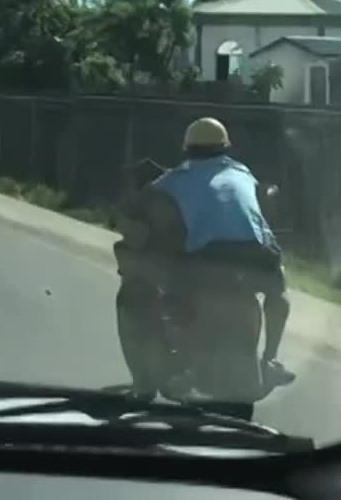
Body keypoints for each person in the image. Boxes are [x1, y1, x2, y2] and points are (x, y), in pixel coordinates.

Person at [114, 117, 293, 403]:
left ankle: (145, 384)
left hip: (208, 263)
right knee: (280, 292)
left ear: (187, 149)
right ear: (225, 148)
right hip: (258, 260)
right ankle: (270, 359)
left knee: (138, 297)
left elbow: (136, 216)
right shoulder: (243, 172)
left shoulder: (172, 181)